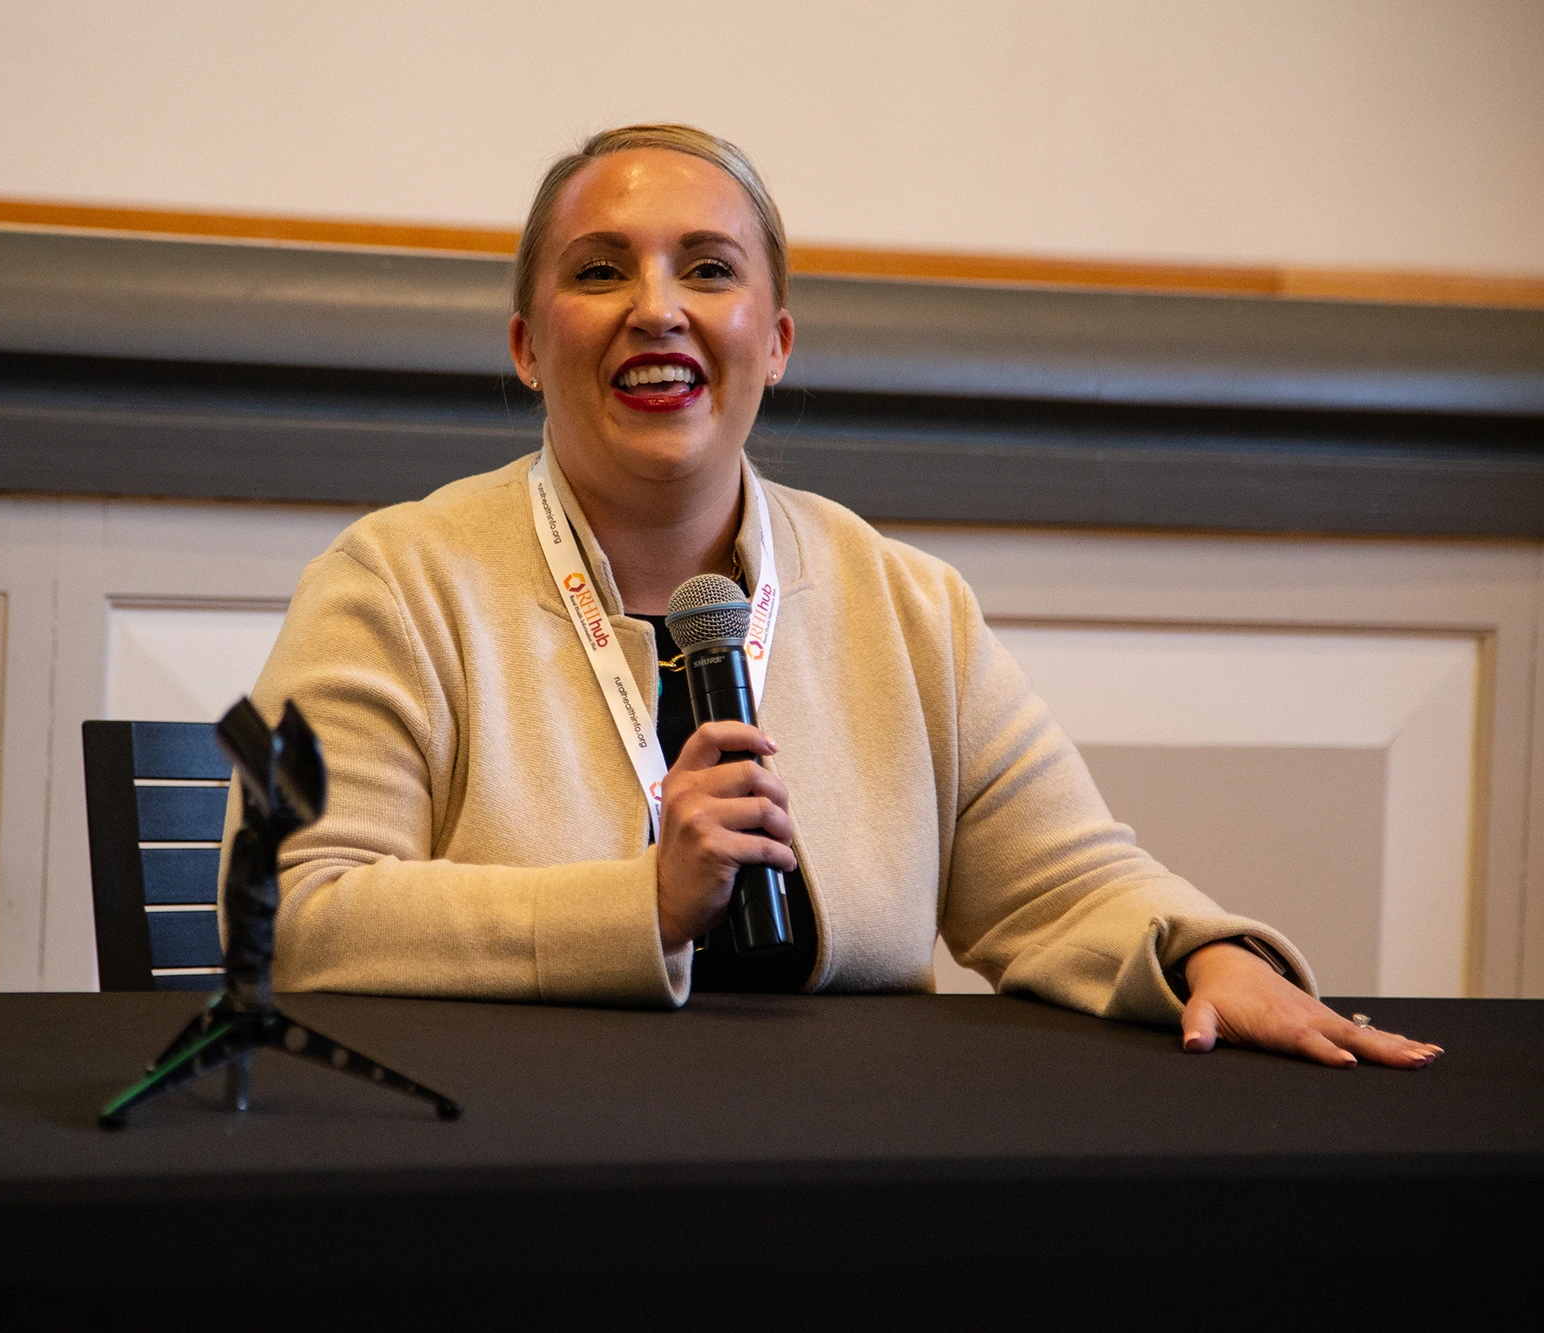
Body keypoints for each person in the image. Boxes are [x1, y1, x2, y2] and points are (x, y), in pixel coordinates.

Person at [227, 124, 1441, 1070]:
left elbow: (1065, 882)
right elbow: (298, 907)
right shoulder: (396, 582)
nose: (656, 307)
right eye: (599, 271)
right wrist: (636, 904)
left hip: (836, 1185)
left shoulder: (905, 603)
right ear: (526, 345)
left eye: (707, 269)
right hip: (511, 1174)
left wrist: (1205, 949)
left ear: (778, 338)